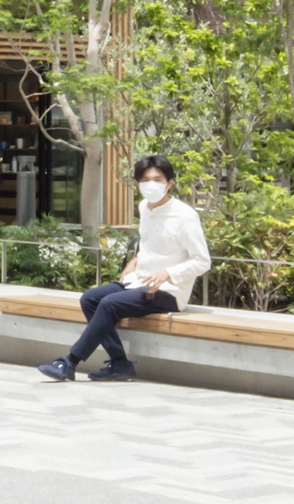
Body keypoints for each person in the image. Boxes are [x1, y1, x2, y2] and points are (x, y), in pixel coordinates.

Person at [38, 155, 209, 384]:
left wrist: (167, 273)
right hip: (139, 282)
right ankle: (120, 364)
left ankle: (70, 362)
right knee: (90, 298)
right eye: (145, 180)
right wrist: (135, 261)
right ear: (138, 184)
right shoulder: (144, 207)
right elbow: (151, 242)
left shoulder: (185, 216)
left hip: (168, 291)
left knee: (109, 304)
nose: (151, 184)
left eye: (158, 179)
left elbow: (202, 261)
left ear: (170, 183)